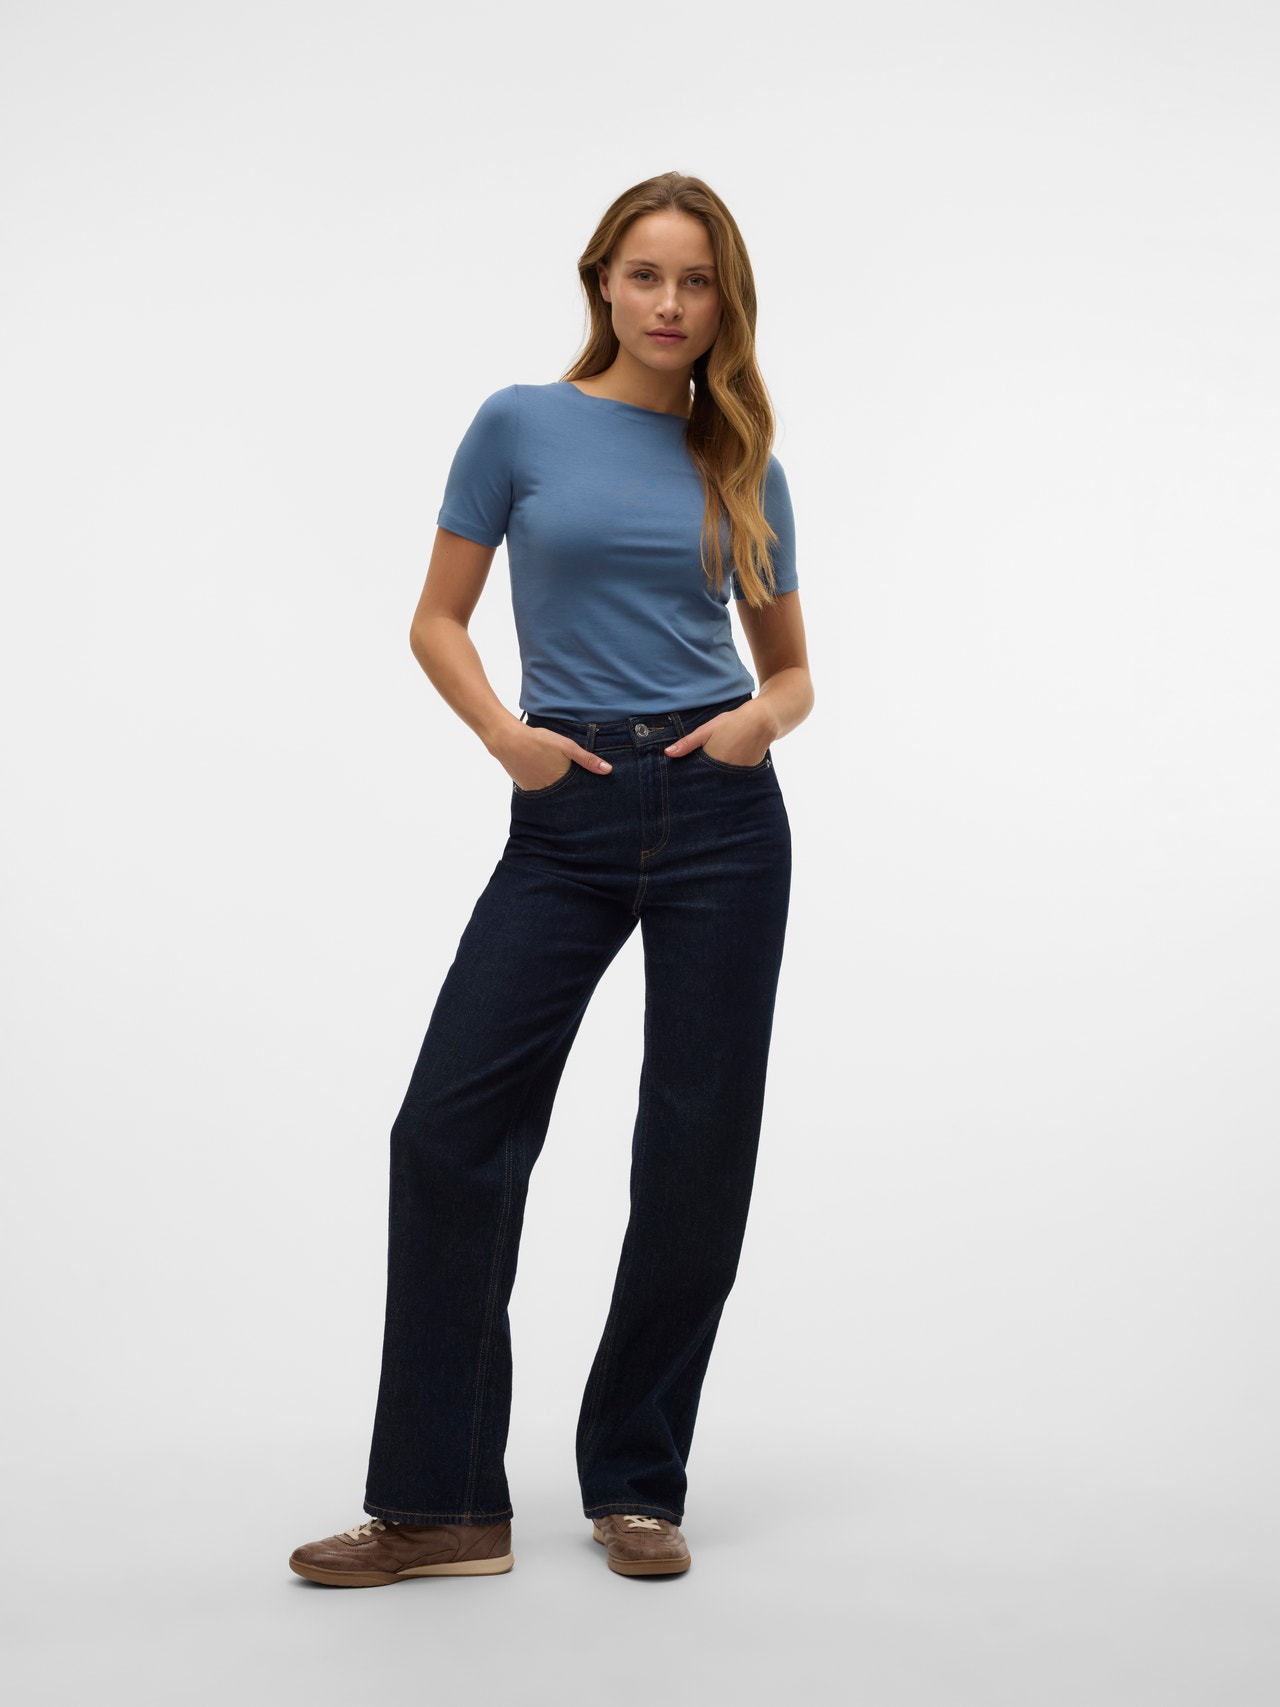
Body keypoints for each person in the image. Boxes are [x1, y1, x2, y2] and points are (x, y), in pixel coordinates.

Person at [289, 169, 814, 1587]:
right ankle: (444, 1503)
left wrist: (756, 726)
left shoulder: (743, 462)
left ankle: (637, 1483)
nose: (669, 304)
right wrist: (506, 739)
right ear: (602, 283)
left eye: (696, 282)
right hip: (565, 808)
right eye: (646, 275)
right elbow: (437, 618)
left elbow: (793, 674)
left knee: (694, 1151)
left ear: (726, 304)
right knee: (448, 1131)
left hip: (721, 817)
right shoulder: (519, 424)